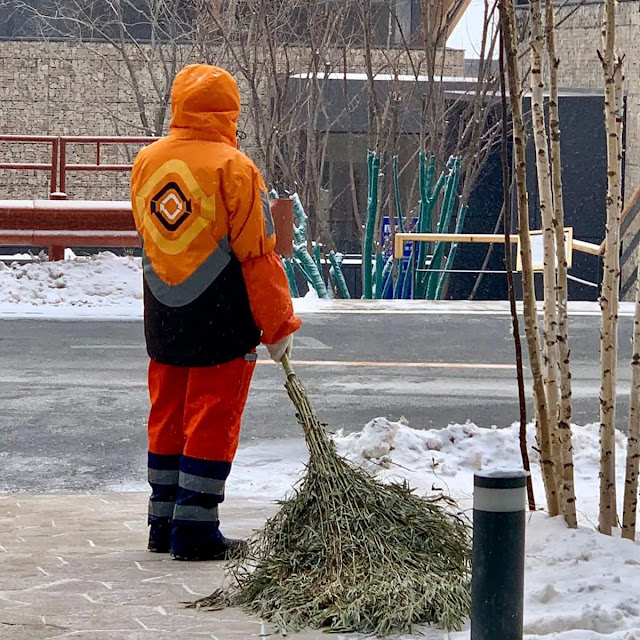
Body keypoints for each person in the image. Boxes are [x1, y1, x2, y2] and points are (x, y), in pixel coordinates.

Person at [130, 64, 301, 561]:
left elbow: (146, 232)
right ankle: (197, 531)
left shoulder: (146, 161)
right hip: (220, 316)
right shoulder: (235, 167)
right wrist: (279, 324)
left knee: (166, 414)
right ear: (230, 112)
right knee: (212, 415)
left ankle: (162, 523)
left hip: (162, 311)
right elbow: (256, 254)